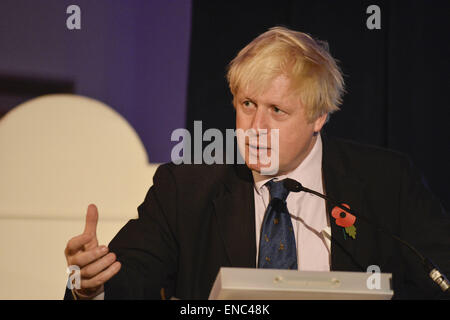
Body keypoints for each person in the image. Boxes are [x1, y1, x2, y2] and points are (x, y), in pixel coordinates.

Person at [64, 26, 450, 300]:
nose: (256, 127)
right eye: (248, 105)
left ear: (318, 118)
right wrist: (89, 287)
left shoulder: (386, 182)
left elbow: (440, 277)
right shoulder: (184, 190)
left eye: (277, 110)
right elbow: (129, 280)